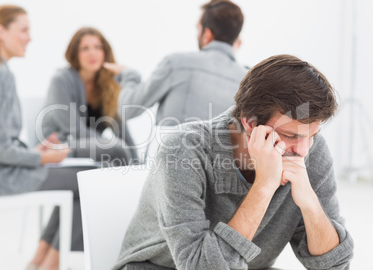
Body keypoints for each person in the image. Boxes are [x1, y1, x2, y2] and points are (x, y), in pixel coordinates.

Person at [113, 55, 354, 270]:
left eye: (311, 136)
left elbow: (335, 265)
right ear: (249, 123)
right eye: (291, 135)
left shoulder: (311, 150)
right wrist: (264, 186)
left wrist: (310, 202)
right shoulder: (183, 149)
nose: (303, 150)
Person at [0, 6, 90, 270]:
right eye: (23, 30)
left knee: (79, 181)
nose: (29, 37)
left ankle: (39, 261)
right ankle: (49, 265)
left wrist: (34, 151)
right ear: (1, 31)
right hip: (4, 176)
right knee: (88, 179)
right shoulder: (0, 75)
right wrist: (45, 156)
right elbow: (0, 150)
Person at [116, 0, 248, 126]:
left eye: (198, 29)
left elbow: (128, 109)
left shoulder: (176, 63)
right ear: (237, 40)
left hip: (171, 148)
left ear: (207, 34)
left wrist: (128, 75)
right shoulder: (248, 81)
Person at [41, 27, 140, 164]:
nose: (92, 53)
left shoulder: (109, 85)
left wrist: (140, 167)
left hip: (91, 146)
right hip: (62, 145)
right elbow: (75, 130)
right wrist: (112, 144)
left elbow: (123, 133)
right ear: (75, 54)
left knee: (121, 152)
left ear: (104, 52)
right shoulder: (60, 80)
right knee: (115, 149)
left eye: (97, 47)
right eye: (85, 48)